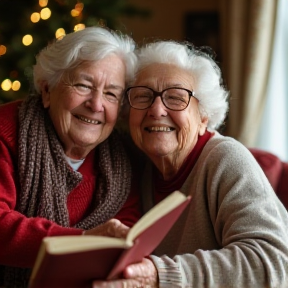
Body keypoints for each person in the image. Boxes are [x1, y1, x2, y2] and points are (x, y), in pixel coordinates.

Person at [93, 41, 288, 288]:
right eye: (143, 96)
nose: (156, 109)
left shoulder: (225, 159)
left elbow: (272, 264)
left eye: (175, 98)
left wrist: (159, 275)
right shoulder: (133, 167)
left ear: (203, 118)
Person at [0, 26, 141, 288]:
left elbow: (126, 234)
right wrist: (82, 242)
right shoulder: (6, 133)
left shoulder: (121, 163)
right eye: (84, 85)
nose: (97, 104)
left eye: (111, 93)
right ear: (46, 91)